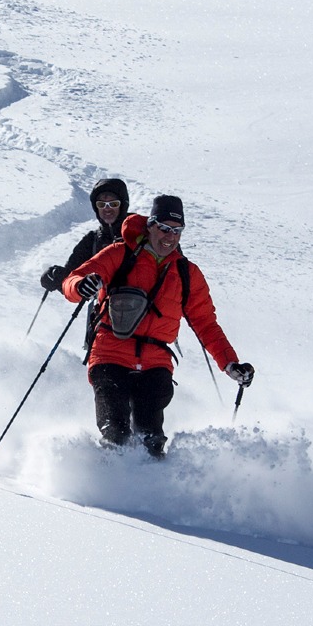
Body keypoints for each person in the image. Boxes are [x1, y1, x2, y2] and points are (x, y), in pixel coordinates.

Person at [61, 194, 254, 457]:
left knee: (150, 440)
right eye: (164, 228)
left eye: (177, 231)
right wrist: (80, 286)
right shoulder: (120, 254)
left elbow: (206, 324)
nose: (170, 236)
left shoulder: (187, 273)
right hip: (110, 355)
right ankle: (102, 485)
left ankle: (150, 489)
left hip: (155, 363)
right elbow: (74, 279)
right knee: (115, 432)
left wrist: (230, 364)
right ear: (150, 225)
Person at [38, 177, 129, 351]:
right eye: (101, 205)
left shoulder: (140, 234)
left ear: (123, 205)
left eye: (113, 204)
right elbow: (72, 278)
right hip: (102, 327)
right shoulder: (92, 241)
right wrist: (55, 278)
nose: (107, 209)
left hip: (141, 322)